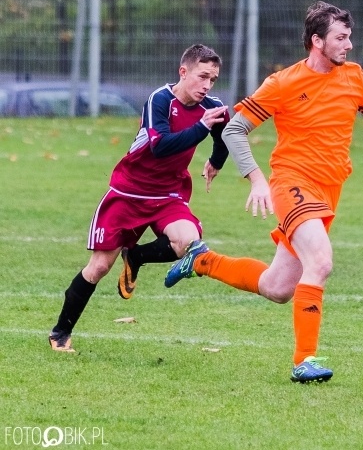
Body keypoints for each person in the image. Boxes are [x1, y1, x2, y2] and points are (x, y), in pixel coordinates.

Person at [163, 1, 363, 383]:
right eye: (341, 37)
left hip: (328, 191)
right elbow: (235, 129)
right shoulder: (283, 82)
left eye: (349, 37)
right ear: (316, 41)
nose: (349, 45)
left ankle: (202, 261)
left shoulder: (355, 78)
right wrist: (256, 178)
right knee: (320, 261)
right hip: (291, 184)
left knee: (278, 287)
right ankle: (305, 361)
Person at [48, 44, 230, 352]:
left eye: (212, 79)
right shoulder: (159, 99)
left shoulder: (211, 107)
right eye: (202, 77)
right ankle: (60, 332)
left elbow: (223, 134)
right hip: (128, 192)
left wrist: (216, 161)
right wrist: (201, 128)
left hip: (168, 195)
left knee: (190, 241)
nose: (207, 86)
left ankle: (137, 256)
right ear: (183, 72)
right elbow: (160, 145)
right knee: (99, 268)